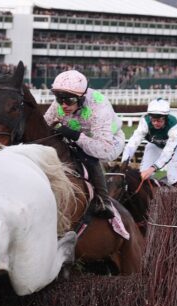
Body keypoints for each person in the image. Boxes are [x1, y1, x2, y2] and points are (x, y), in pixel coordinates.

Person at [43, 69, 124, 219]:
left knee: (87, 155)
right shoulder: (63, 101)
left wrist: (74, 135)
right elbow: (44, 126)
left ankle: (104, 201)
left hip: (109, 143)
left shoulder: (99, 107)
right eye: (60, 99)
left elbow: (103, 150)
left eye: (69, 101)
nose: (63, 105)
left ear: (82, 98)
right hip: (78, 135)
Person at [121, 98, 177, 186]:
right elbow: (133, 143)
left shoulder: (174, 125)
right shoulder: (145, 122)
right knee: (143, 174)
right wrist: (125, 162)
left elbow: (168, 152)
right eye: (153, 120)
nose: (155, 123)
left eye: (159, 120)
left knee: (173, 177)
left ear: (165, 118)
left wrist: (152, 168)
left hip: (173, 147)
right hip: (155, 144)